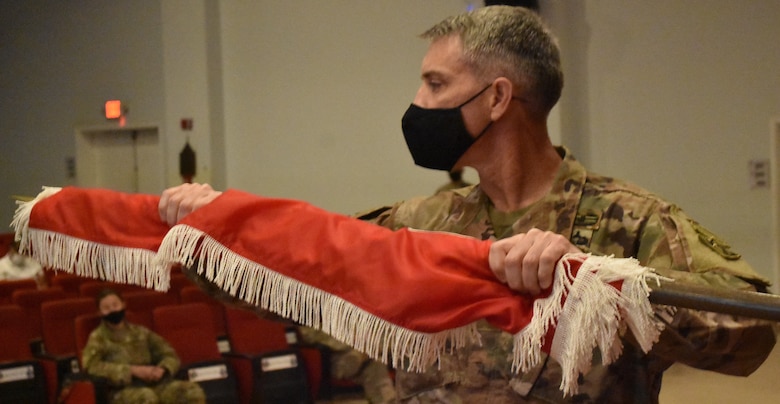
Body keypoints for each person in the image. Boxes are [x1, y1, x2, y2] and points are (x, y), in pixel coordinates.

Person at [156, 6, 776, 403]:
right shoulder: (422, 224)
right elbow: (298, 275)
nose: (418, 104)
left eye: (435, 84)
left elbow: (753, 330)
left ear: (498, 97)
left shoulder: (627, 220)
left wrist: (605, 285)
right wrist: (214, 226)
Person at [81, 288, 206, 404]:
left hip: (155, 382)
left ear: (123, 304)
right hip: (122, 390)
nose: (113, 310)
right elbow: (91, 366)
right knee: (146, 397)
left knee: (190, 391)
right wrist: (132, 371)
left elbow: (169, 353)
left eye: (115, 305)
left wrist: (162, 369)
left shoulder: (141, 332)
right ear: (100, 312)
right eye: (106, 308)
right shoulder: (97, 337)